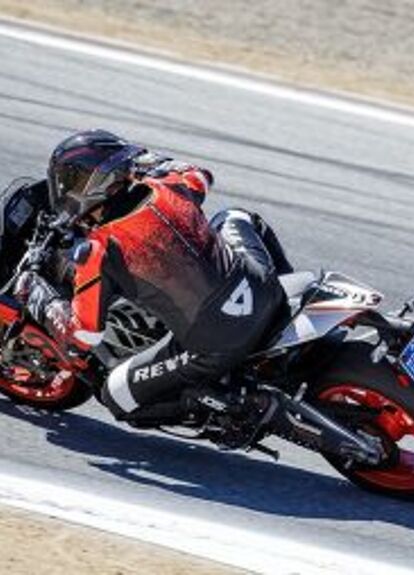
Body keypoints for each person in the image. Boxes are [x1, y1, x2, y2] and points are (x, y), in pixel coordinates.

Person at [15, 129, 293, 429]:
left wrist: (39, 296)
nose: (65, 188)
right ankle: (291, 300)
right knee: (235, 216)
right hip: (261, 288)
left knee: (115, 396)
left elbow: (83, 337)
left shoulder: (100, 249)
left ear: (95, 184)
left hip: (217, 341)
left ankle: (242, 406)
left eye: (73, 179)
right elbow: (201, 176)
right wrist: (146, 164)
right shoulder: (168, 185)